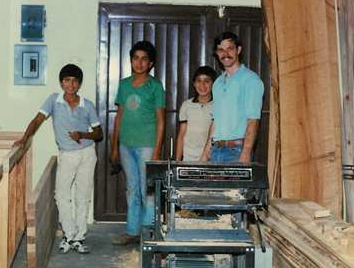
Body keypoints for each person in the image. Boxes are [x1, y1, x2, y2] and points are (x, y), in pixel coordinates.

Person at [14, 64, 103, 254]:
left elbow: (98, 133)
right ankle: (68, 235)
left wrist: (82, 134)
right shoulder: (54, 100)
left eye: (74, 81)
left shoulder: (87, 104)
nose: (70, 84)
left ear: (79, 84)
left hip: (87, 154)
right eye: (67, 80)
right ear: (61, 83)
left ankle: (79, 237)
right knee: (61, 195)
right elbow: (37, 119)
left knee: (83, 195)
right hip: (67, 154)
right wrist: (24, 139)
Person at [110, 41, 165, 245]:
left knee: (147, 190)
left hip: (147, 146)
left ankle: (149, 233)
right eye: (135, 58)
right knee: (132, 188)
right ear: (131, 60)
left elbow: (161, 121)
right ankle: (132, 231)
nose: (139, 63)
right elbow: (119, 116)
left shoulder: (155, 86)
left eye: (144, 59)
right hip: (126, 145)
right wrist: (114, 146)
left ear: (150, 63)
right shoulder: (124, 85)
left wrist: (157, 150)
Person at [201, 31, 264, 163]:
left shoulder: (250, 80)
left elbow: (253, 120)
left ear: (238, 50)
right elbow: (215, 121)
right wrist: (205, 154)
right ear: (217, 54)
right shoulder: (217, 83)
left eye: (230, 48)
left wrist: (246, 152)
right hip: (216, 151)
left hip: (237, 152)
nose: (225, 54)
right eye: (221, 50)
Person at [175, 66, 217, 162]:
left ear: (213, 84)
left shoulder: (217, 106)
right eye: (198, 81)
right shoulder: (186, 105)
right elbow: (182, 135)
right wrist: (177, 161)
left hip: (210, 158)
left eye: (207, 81)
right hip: (188, 157)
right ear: (194, 83)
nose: (202, 85)